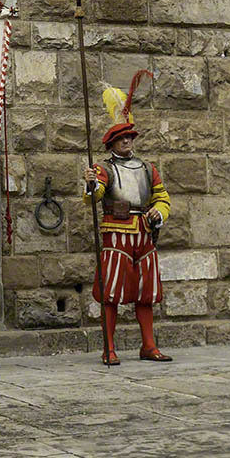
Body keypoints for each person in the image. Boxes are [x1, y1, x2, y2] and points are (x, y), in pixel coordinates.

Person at [83, 71, 173, 365]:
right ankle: (109, 348)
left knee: (145, 294)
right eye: (121, 139)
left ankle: (148, 345)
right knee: (111, 293)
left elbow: (162, 197)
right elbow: (93, 197)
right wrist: (90, 184)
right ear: (111, 144)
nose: (127, 142)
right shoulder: (103, 169)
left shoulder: (148, 168)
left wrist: (160, 211)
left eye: (129, 137)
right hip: (116, 236)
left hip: (144, 235)